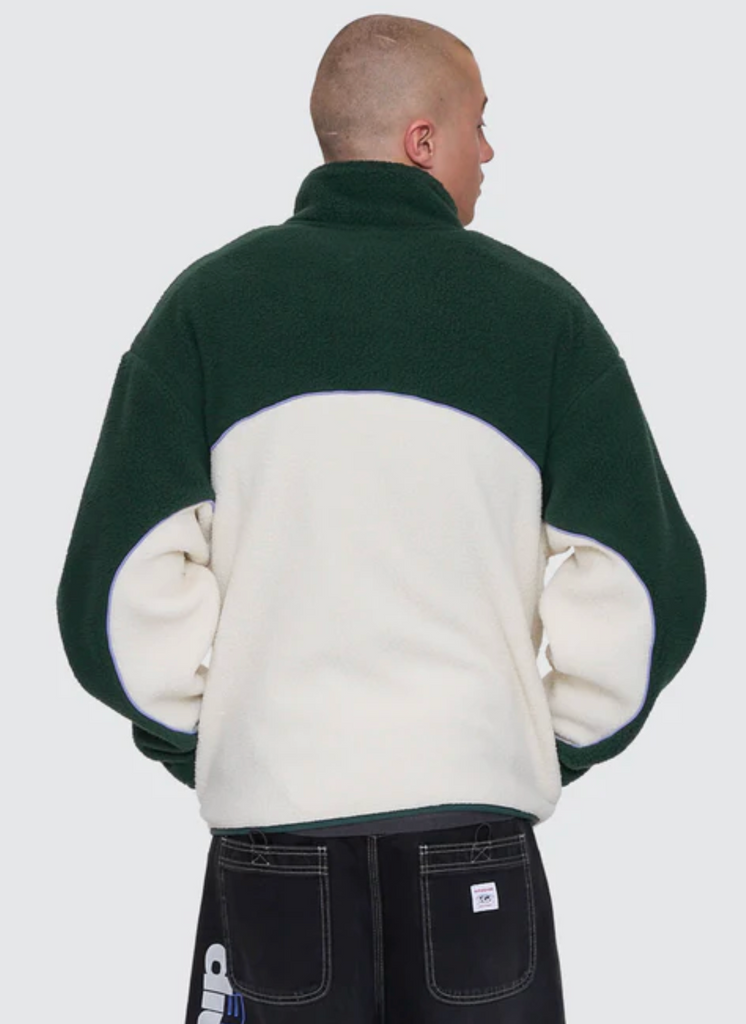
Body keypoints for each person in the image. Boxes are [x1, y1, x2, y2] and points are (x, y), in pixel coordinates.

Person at [55, 13, 707, 1024]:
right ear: (421, 139)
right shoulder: (539, 316)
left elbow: (113, 591)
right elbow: (644, 585)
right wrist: (541, 743)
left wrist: (218, 740)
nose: (489, 150)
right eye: (479, 122)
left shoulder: (207, 309)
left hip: (274, 838)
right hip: (472, 831)